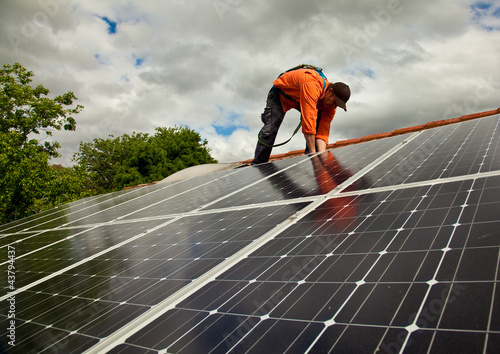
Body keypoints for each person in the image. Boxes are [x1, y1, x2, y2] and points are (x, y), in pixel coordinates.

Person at [252, 67, 350, 165]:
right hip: (280, 96)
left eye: (337, 105)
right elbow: (308, 120)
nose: (334, 106)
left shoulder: (331, 107)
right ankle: (258, 164)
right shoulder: (311, 84)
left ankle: (313, 164)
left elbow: (323, 133)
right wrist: (313, 153)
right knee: (269, 131)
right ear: (329, 91)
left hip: (300, 100)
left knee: (317, 125)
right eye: (335, 102)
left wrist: (323, 157)